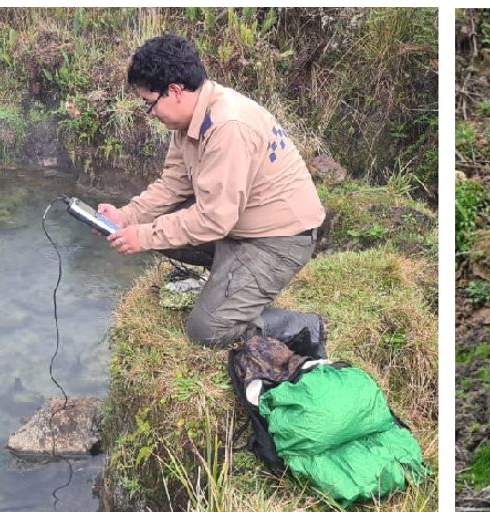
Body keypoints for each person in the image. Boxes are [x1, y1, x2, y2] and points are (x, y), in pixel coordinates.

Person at [97, 35, 327, 354]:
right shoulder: (190, 121)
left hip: (278, 239)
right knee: (159, 224)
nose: (149, 113)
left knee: (207, 331)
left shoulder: (228, 125)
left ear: (175, 90)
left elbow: (214, 219)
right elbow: (173, 184)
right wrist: (127, 217)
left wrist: (144, 236)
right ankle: (232, 281)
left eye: (150, 103)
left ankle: (302, 326)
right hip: (239, 225)